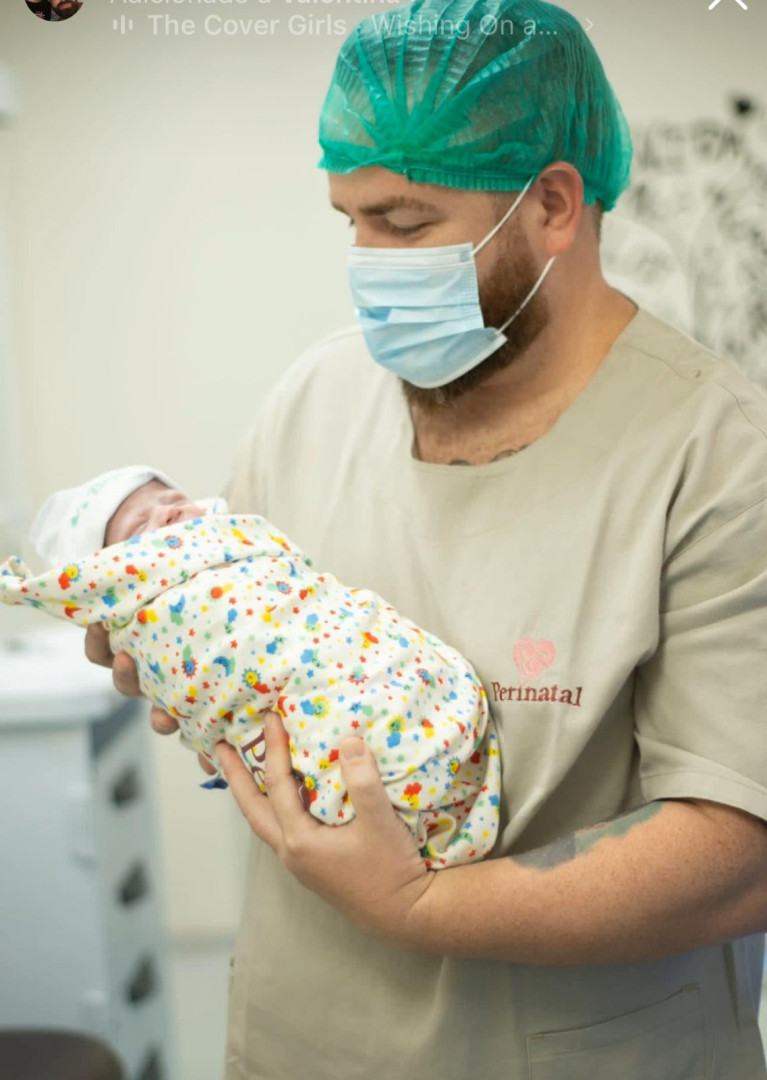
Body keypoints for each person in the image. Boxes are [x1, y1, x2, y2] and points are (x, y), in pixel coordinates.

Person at [85, 0, 767, 1076]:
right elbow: (250, 654)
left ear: (551, 204)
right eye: (348, 221)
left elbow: (737, 852)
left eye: (402, 226)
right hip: (302, 1033)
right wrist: (168, 643)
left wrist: (420, 904)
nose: (368, 263)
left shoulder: (717, 453)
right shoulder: (315, 396)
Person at [2, 466, 500, 867]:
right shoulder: (151, 594)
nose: (169, 516)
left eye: (171, 500)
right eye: (138, 527)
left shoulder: (238, 540)